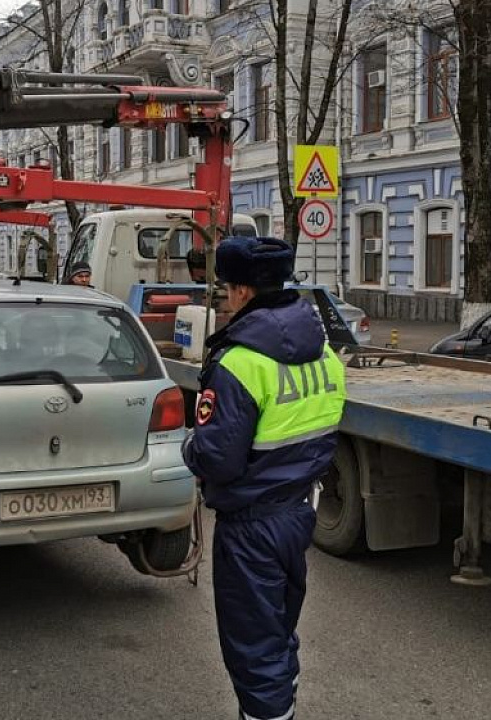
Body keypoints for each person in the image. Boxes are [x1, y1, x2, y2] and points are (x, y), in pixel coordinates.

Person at [182, 236, 347, 720]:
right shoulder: (325, 353)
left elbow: (217, 460)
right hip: (297, 511)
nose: (224, 298)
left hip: (251, 527)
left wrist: (189, 445)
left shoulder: (239, 362)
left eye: (225, 289)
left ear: (241, 291)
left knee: (254, 648)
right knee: (276, 633)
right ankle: (281, 704)